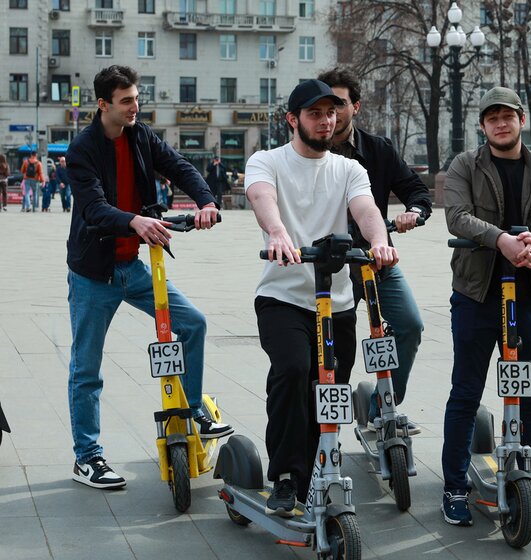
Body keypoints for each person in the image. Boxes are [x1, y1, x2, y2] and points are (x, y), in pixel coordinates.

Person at [65, 65, 233, 490]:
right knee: (87, 369)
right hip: (93, 274)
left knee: (192, 323)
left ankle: (193, 409)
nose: (135, 106)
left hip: (136, 269)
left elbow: (178, 166)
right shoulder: (82, 150)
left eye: (137, 98)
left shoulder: (141, 136)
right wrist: (136, 222)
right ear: (103, 104)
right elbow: (93, 209)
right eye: (126, 101)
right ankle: (87, 458)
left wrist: (206, 200)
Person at [245, 79, 397, 516]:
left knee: (329, 388)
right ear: (293, 120)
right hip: (282, 296)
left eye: (331, 112)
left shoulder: (348, 169)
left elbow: (366, 209)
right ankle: (287, 476)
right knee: (292, 370)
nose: (326, 120)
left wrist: (379, 242)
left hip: (338, 301)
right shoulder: (267, 160)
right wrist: (277, 232)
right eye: (315, 113)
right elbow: (261, 196)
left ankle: (315, 465)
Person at [442, 87, 531, 526]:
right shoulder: (465, 164)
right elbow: (456, 216)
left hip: (528, 293)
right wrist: (501, 239)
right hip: (477, 294)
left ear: (521, 119)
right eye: (492, 118)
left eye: (508, 116)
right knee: (466, 392)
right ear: (483, 126)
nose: (501, 123)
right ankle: (455, 488)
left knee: (528, 394)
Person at [318, 68, 432, 433]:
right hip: (329, 269)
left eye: (339, 104)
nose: (331, 113)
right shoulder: (310, 152)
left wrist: (414, 212)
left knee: (410, 325)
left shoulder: (378, 150)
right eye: (325, 105)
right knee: (335, 345)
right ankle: (326, 421)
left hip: (376, 260)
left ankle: (382, 406)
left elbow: (415, 189)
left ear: (356, 106)